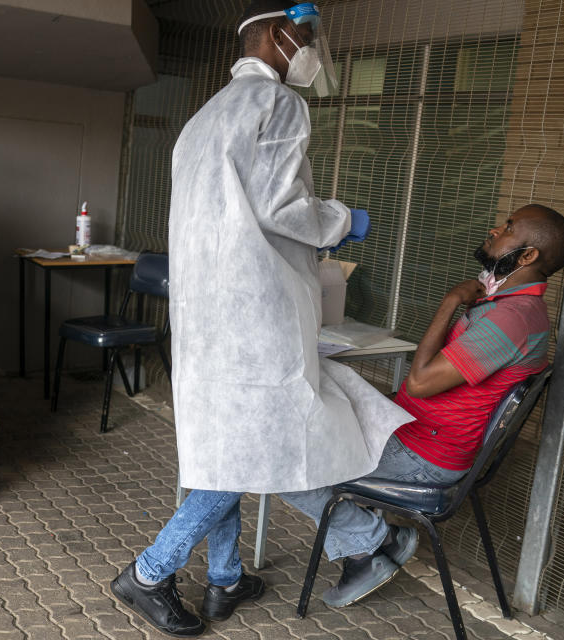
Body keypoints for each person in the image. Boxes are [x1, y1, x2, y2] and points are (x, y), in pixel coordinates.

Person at [109, 2, 413, 636]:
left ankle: (226, 579)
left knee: (224, 447)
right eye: (306, 37)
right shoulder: (276, 104)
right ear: (278, 36)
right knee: (256, 451)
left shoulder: (201, 119)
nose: (312, 50)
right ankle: (148, 573)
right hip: (256, 312)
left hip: (206, 312)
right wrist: (341, 221)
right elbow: (282, 206)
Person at [279, 204, 564, 607]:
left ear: (527, 257)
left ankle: (374, 542)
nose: (494, 229)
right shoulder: (504, 306)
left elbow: (418, 383)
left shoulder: (513, 319)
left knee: (279, 461)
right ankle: (369, 541)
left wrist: (450, 300)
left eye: (508, 228)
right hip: (416, 433)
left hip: (427, 455)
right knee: (322, 409)